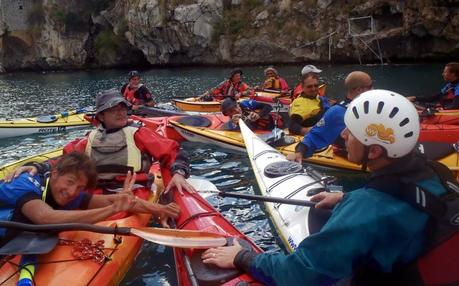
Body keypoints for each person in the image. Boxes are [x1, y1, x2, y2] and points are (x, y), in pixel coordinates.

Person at [201, 89, 459, 285]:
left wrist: (242, 258)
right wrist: (344, 198)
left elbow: (299, 274)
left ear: (375, 150)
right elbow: (403, 200)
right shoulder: (437, 171)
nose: (344, 134)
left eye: (352, 131)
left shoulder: (366, 210)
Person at [0, 152, 180, 246]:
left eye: (79, 187)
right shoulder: (23, 183)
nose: (72, 192)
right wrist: (112, 210)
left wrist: (159, 209)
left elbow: (116, 200)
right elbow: (45, 218)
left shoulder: (68, 194)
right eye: (70, 182)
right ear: (54, 174)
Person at [64, 89, 194, 194]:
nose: (120, 113)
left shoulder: (139, 134)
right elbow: (65, 159)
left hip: (135, 192)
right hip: (97, 195)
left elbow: (173, 152)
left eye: (122, 108)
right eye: (113, 110)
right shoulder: (89, 140)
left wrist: (179, 173)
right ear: (101, 116)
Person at [287, 71, 373, 162]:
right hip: (325, 132)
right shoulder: (337, 112)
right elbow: (300, 130)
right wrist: (300, 150)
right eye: (371, 86)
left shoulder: (322, 99)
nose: (314, 89)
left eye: (316, 86)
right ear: (359, 89)